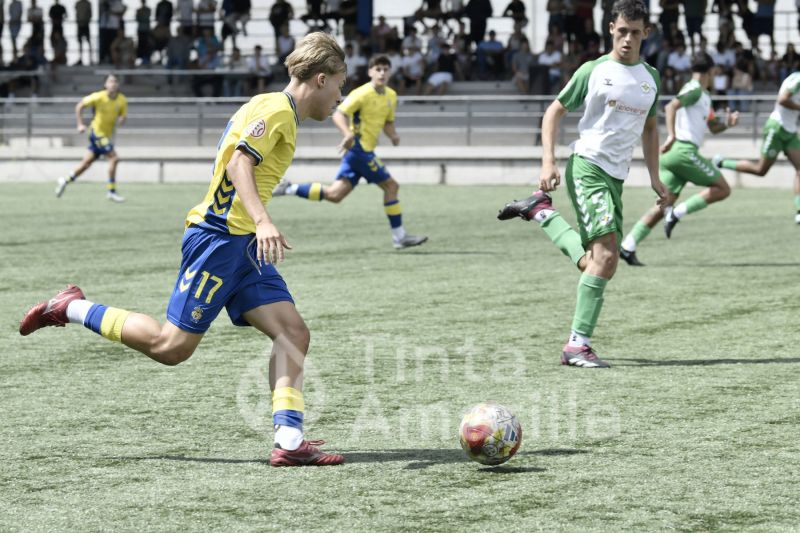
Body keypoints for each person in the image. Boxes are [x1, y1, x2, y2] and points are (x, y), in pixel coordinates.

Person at [20, 32, 348, 468]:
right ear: (322, 79)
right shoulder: (277, 112)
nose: (341, 98)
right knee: (170, 347)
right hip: (218, 241)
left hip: (242, 244)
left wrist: (256, 225)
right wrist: (265, 219)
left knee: (293, 333)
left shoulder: (271, 107)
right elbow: (239, 163)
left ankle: (289, 441)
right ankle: (72, 307)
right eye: (341, 85)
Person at [497, 0, 666, 368]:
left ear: (646, 34)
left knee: (599, 263)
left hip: (616, 177)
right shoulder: (593, 70)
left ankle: (542, 213)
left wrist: (655, 176)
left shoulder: (651, 77)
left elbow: (651, 129)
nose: (627, 39)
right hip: (587, 167)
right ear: (610, 29)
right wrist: (548, 160)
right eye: (621, 31)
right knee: (605, 257)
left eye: (635, 33)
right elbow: (553, 111)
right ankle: (577, 345)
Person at [273, 55, 428, 250]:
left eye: (385, 69)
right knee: (391, 186)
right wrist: (347, 134)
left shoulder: (391, 96)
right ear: (370, 72)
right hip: (359, 149)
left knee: (335, 194)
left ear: (390, 72)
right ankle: (400, 237)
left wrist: (394, 135)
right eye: (378, 69)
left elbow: (388, 122)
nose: (382, 73)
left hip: (362, 152)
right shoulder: (361, 94)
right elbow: (339, 114)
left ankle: (289, 188)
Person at [620, 53, 739, 266]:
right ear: (711, 71)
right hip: (683, 151)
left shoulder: (703, 95)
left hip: (676, 156)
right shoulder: (693, 89)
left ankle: (628, 245)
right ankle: (677, 213)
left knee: (662, 204)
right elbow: (670, 107)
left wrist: (728, 123)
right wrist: (672, 135)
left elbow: (713, 127)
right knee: (723, 188)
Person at [714, 70, 800, 224]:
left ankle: (799, 212)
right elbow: (782, 99)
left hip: (791, 131)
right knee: (760, 170)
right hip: (777, 128)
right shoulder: (797, 80)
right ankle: (721, 162)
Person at [55, 75, 128, 203]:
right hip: (96, 133)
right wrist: (80, 124)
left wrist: (122, 119)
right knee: (114, 158)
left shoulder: (122, 100)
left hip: (106, 135)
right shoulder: (98, 96)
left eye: (115, 81)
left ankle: (65, 181)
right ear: (105, 84)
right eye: (110, 81)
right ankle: (111, 191)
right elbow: (79, 106)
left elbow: (123, 115)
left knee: (86, 164)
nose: (113, 84)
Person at [75, 0, 93, 65]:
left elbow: (90, 14)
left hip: (85, 25)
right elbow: (76, 14)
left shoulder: (88, 3)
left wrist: (86, 21)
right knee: (80, 43)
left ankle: (91, 59)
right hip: (80, 25)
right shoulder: (77, 3)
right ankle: (80, 58)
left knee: (89, 42)